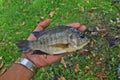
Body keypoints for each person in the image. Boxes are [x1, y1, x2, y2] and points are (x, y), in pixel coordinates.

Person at [0, 19, 86, 80]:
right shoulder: (69, 42)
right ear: (71, 38)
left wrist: (28, 61)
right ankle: (30, 46)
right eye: (81, 37)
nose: (84, 39)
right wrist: (28, 59)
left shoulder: (69, 41)